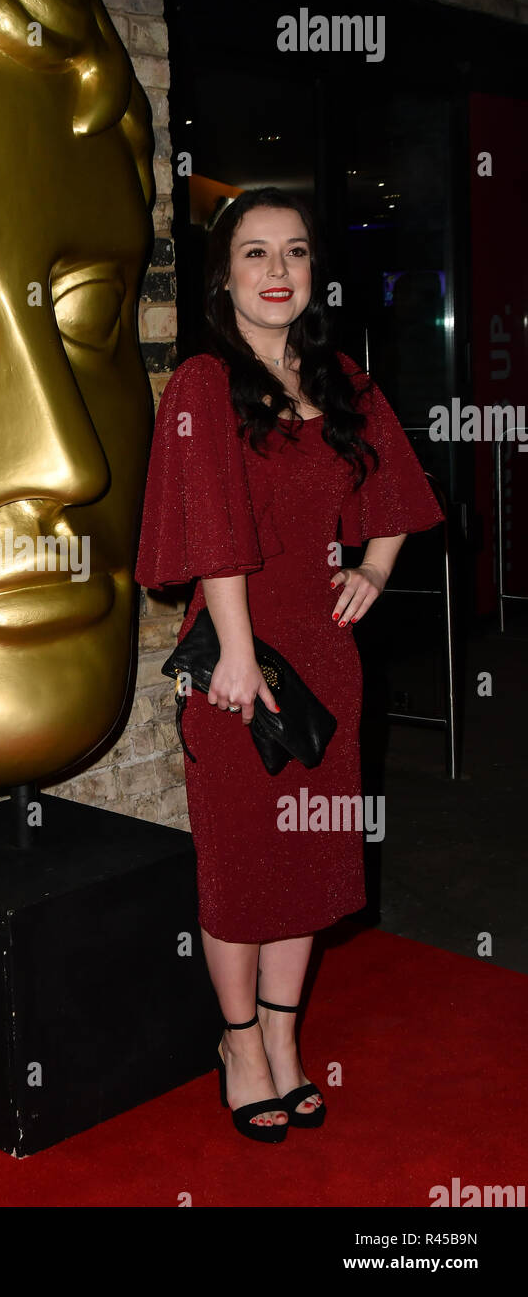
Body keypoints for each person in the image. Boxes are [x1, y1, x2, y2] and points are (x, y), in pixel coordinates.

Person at [135, 187, 444, 1142]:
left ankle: (283, 1039)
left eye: (296, 253)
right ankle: (237, 1045)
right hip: (238, 654)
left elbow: (394, 488)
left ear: (314, 272)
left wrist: (374, 569)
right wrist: (232, 653)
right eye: (256, 253)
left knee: (304, 862)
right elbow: (213, 529)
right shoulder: (200, 381)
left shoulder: (339, 376)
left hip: (324, 653)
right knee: (241, 864)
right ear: (222, 275)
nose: (277, 272)